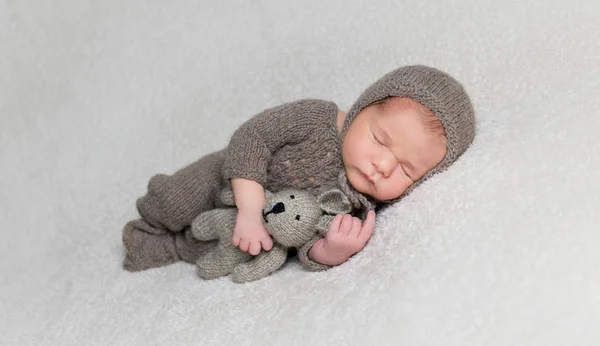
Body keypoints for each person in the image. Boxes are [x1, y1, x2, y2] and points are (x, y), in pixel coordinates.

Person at [122, 65, 475, 273]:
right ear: (361, 107)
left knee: (221, 249)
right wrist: (249, 207)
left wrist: (333, 251)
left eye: (406, 169)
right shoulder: (317, 119)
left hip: (254, 230)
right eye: (380, 139)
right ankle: (152, 220)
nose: (383, 165)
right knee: (175, 201)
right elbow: (252, 137)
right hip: (233, 175)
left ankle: (167, 247)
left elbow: (304, 249)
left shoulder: (362, 204)